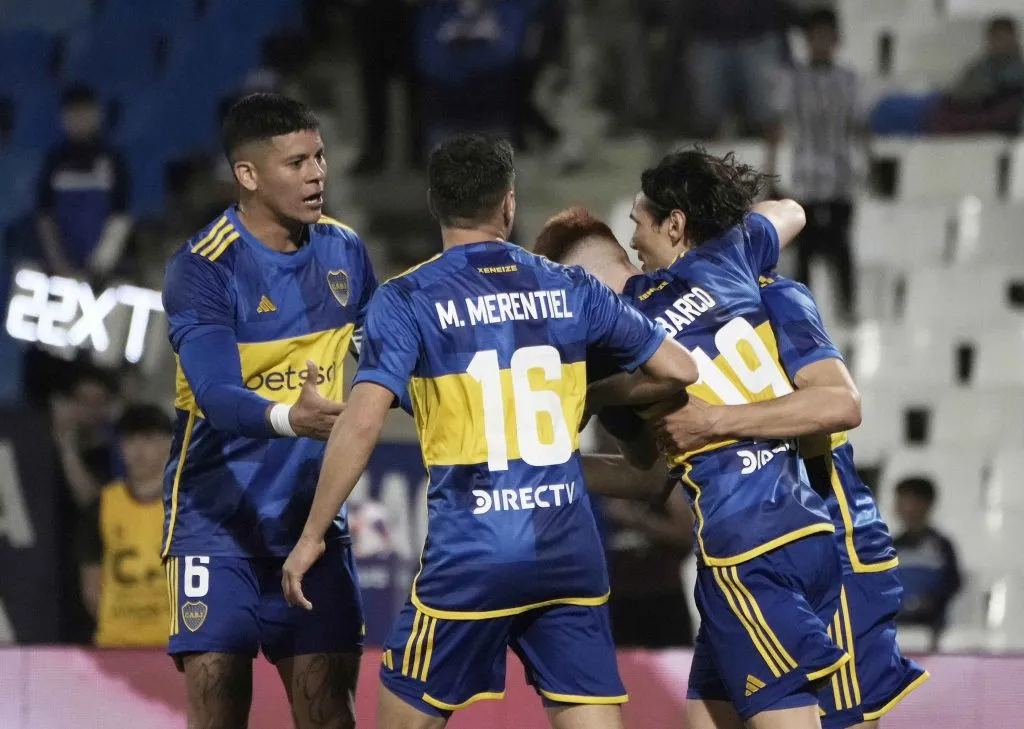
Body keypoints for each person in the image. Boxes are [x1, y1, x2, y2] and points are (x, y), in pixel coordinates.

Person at [282, 134, 699, 729]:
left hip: (473, 551)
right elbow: (679, 371)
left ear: (435, 205)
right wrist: (587, 390)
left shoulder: (406, 300)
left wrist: (312, 536)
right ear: (508, 203)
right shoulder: (572, 287)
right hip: (567, 552)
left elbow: (364, 418)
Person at [532, 153, 848, 729]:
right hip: (805, 529)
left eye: (640, 223)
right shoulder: (726, 258)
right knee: (704, 714)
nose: (635, 239)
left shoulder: (615, 342)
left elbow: (634, 450)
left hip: (745, 546)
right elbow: (790, 210)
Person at [161, 93, 377, 729]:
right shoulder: (204, 266)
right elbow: (219, 398)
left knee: (329, 716)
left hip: (310, 526)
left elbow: (381, 361)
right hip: (213, 526)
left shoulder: (345, 251)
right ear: (247, 175)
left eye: (319, 157)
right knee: (220, 708)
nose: (316, 175)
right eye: (295, 163)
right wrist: (294, 418)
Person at [655, 272, 929, 728]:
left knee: (838, 720)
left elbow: (840, 407)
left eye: (644, 222)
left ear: (678, 224)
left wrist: (718, 421)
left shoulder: (773, 295)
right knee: (707, 714)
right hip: (744, 566)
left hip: (831, 543)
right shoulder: (691, 315)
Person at [775, 8, 862, 324]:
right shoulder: (792, 80)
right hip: (804, 179)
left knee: (841, 248)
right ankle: (802, 314)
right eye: (815, 37)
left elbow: (858, 125)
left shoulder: (848, 80)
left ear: (837, 40)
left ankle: (848, 308)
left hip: (839, 178)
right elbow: (779, 125)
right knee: (805, 251)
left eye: (827, 37)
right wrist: (771, 169)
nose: (821, 44)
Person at [78, 404, 173, 647]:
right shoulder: (102, 506)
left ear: (170, 443)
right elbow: (91, 586)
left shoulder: (193, 507)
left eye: (149, 439)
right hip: (116, 646)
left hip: (175, 647)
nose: (138, 450)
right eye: (130, 440)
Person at [36, 84, 131, 280]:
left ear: (97, 114)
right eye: (73, 114)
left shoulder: (113, 160)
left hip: (102, 270)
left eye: (85, 113)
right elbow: (45, 215)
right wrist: (58, 261)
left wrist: (101, 265)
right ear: (63, 118)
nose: (79, 120)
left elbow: (120, 215)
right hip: (60, 265)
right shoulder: (55, 160)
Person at [892, 477, 962, 646]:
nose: (907, 509)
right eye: (902, 502)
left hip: (931, 627)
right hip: (894, 625)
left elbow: (952, 583)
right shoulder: (890, 546)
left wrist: (926, 602)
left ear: (927, 505)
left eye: (913, 502)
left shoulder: (941, 546)